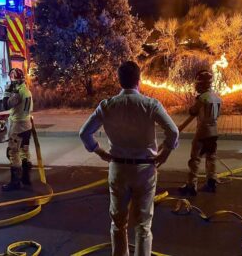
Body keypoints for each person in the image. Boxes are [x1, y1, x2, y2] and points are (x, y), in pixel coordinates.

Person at [79, 61, 179, 256]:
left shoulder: (107, 106)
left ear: (119, 80)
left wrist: (101, 153)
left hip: (118, 168)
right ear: (139, 81)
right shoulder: (150, 104)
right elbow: (173, 132)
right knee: (143, 225)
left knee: (118, 224)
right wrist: (164, 154)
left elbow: (84, 133)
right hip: (145, 170)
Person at [179, 70, 222, 196]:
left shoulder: (203, 98)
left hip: (203, 131)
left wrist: (194, 106)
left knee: (195, 159)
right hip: (214, 131)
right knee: (211, 157)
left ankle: (191, 186)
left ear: (201, 84)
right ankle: (211, 182)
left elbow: (193, 111)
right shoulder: (217, 98)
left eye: (198, 83)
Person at [1, 68, 34, 191]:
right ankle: (26, 178)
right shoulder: (26, 90)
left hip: (18, 126)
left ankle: (15, 182)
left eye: (11, 78)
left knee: (12, 152)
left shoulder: (18, 92)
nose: (11, 81)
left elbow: (5, 105)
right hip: (27, 125)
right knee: (24, 151)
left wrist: (7, 92)